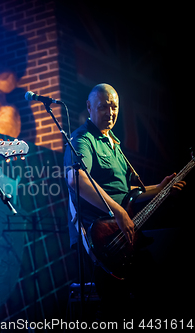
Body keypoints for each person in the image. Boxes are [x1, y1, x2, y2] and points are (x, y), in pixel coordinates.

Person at [64, 83, 186, 320]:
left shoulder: (114, 143)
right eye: (103, 107)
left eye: (114, 107)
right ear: (89, 107)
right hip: (102, 239)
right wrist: (118, 211)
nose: (110, 113)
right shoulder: (83, 138)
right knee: (116, 310)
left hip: (125, 234)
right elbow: (75, 178)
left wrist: (159, 189)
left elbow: (126, 192)